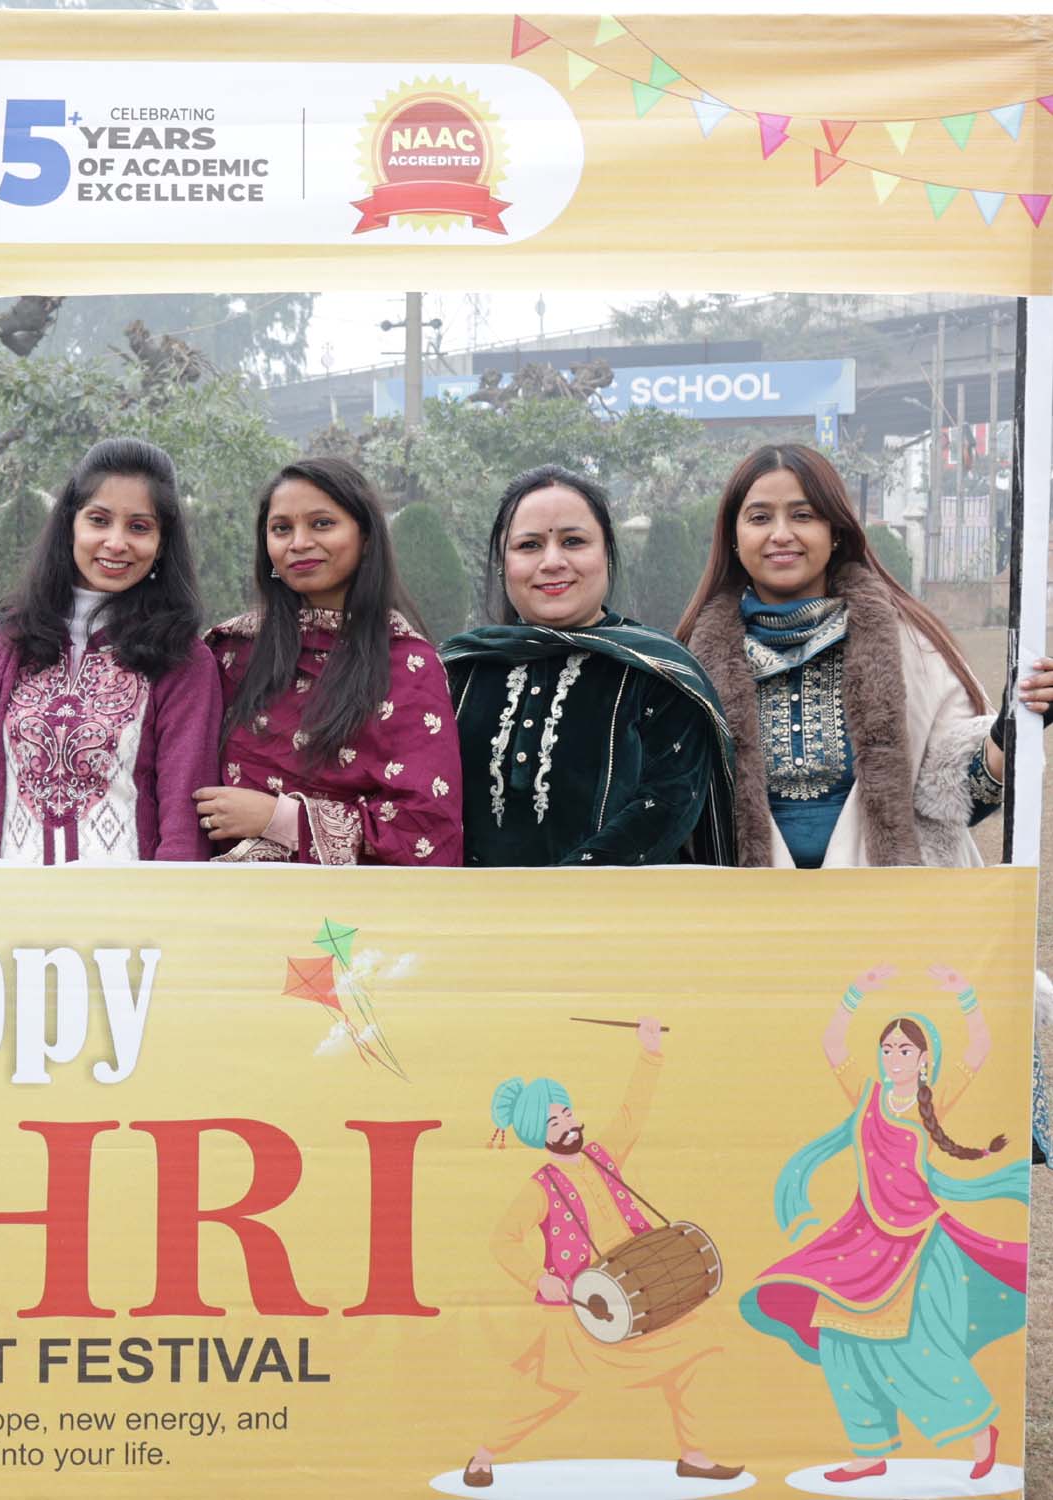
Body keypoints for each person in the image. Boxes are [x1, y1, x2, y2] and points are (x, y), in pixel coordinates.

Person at [678, 443, 1053, 866]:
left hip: (892, 902)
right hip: (743, 905)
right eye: (760, 518)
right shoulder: (687, 668)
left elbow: (955, 798)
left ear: (836, 531)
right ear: (733, 537)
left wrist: (1009, 731)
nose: (781, 534)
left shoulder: (913, 648)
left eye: (803, 516)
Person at [742, 966, 1026, 1482]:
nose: (894, 1057)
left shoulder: (932, 1100)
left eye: (904, 1050)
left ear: (924, 1059)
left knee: (921, 1345)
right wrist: (856, 994)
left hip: (919, 1242)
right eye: (887, 1048)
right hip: (861, 1237)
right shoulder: (867, 1096)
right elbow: (832, 1045)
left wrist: (965, 994)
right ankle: (869, 1452)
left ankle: (980, 1433)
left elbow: (980, 1048)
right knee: (839, 1339)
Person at [462, 1020, 743, 1488]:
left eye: (566, 1114)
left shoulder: (602, 1154)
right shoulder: (541, 1187)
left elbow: (632, 1115)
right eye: (553, 1122)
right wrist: (537, 1278)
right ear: (538, 1134)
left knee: (694, 1344)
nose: (567, 1125)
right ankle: (483, 1456)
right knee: (547, 1390)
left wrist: (649, 1053)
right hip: (583, 1311)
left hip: (639, 1290)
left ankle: (693, 1454)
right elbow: (503, 1239)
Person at [443, 464, 736, 866]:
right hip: (467, 902)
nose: (552, 561)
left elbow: (667, 801)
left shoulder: (657, 672)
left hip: (615, 901)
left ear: (607, 555)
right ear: (502, 564)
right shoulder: (460, 671)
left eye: (574, 541)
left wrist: (561, 891)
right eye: (529, 545)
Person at [196, 457, 461, 865]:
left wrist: (280, 819)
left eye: (322, 523)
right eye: (281, 528)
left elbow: (426, 831)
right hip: (219, 896)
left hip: (342, 905)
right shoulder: (230, 652)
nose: (299, 542)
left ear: (366, 537)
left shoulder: (408, 665)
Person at [0, 438, 220, 863]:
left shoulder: (182, 660)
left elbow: (184, 824)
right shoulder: (8, 639)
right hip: (9, 899)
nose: (116, 542)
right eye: (99, 520)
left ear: (162, 543)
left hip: (129, 904)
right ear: (70, 524)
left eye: (139, 527)